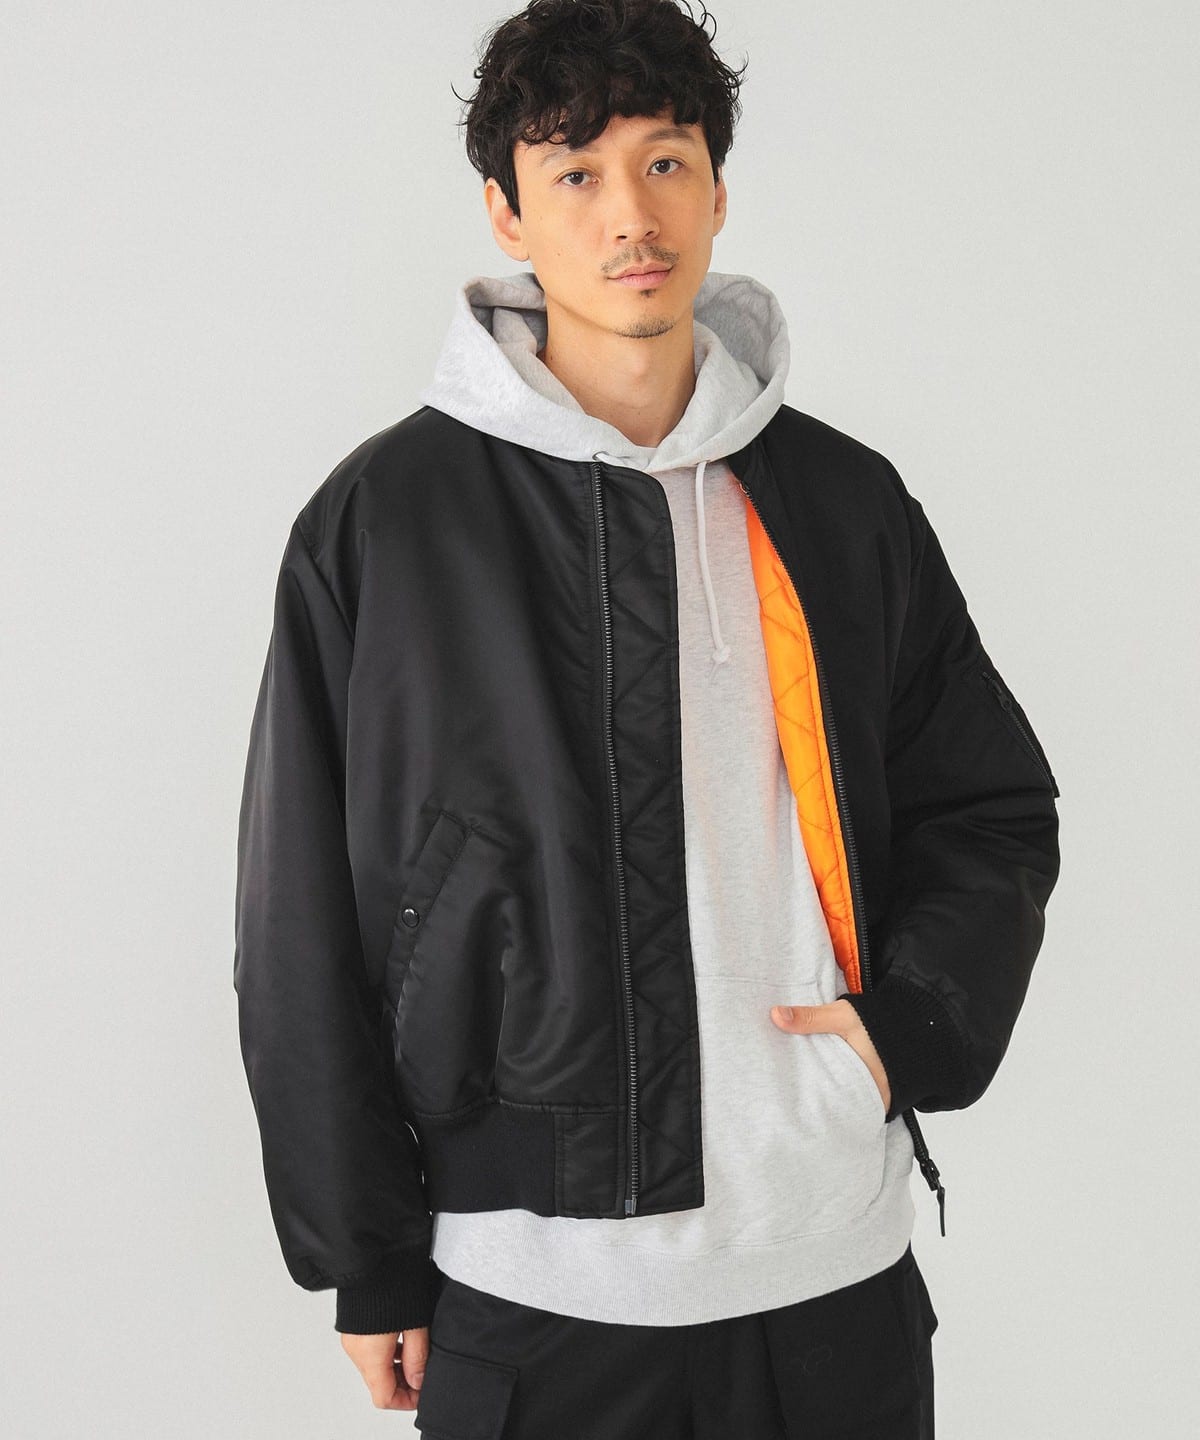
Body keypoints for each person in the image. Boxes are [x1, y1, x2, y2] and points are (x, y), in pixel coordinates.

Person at [233, 1, 1061, 1434]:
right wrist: (365, 1254)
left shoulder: (839, 502)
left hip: (833, 1284)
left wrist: (908, 1026)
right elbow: (297, 913)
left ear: (717, 189)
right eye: (576, 173)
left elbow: (986, 802)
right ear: (506, 213)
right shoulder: (388, 523)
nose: (632, 215)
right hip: (534, 1301)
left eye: (666, 162)